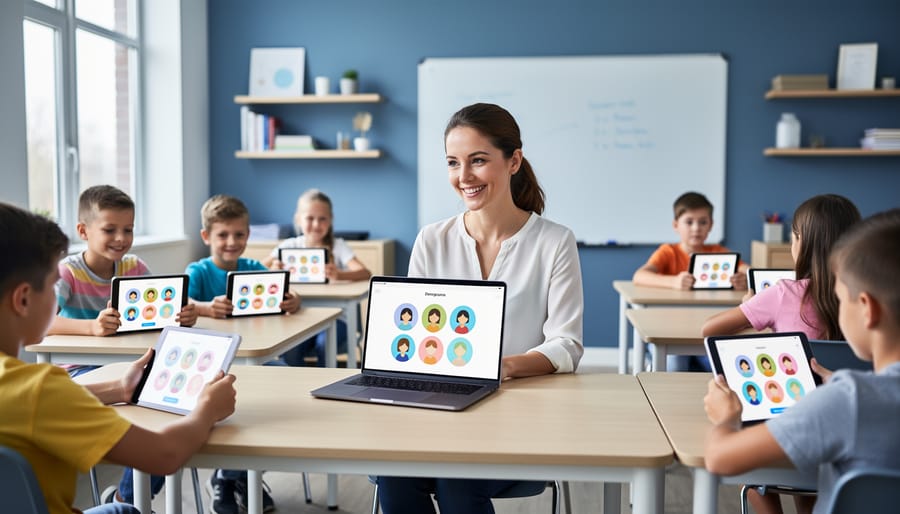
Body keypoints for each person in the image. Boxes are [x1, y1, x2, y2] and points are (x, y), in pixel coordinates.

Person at [375, 102, 584, 514]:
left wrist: (502, 366)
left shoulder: (554, 242)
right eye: (453, 163)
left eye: (478, 160)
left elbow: (566, 344)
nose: (464, 177)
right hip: (435, 411)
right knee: (393, 476)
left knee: (457, 479)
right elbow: (416, 335)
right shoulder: (431, 239)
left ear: (513, 161)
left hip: (516, 413)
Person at [0, 202, 236, 514]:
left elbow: (38, 405)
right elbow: (164, 455)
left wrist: (117, 389)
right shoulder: (38, 389)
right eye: (52, 283)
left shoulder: (26, 390)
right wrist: (208, 409)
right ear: (23, 299)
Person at [703, 209, 900, 514]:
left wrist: (726, 419)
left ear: (867, 309)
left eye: (840, 297)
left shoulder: (847, 402)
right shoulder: (847, 396)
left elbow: (719, 458)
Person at [46, 185, 198, 507]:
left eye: (128, 229)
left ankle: (125, 499)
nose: (121, 238)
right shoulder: (68, 272)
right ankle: (131, 504)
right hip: (82, 371)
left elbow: (162, 310)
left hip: (130, 365)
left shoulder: (135, 268)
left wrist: (182, 314)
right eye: (110, 230)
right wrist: (91, 327)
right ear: (83, 231)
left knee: (173, 401)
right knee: (150, 407)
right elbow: (44, 320)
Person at [185, 194, 299, 514]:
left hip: (253, 356)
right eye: (223, 235)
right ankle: (228, 479)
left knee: (285, 382)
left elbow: (283, 292)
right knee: (242, 398)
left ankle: (240, 475)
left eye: (239, 234)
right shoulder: (198, 271)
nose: (232, 242)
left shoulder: (253, 268)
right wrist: (206, 307)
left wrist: (294, 300)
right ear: (206, 236)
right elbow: (183, 304)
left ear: (248, 235)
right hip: (211, 363)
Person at [265, 189, 371, 367]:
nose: (316, 224)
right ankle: (298, 382)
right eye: (310, 218)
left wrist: (339, 274)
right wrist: (273, 271)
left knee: (324, 344)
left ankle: (327, 382)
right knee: (290, 349)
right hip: (300, 317)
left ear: (330, 220)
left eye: (322, 219)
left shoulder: (338, 246)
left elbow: (365, 272)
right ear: (298, 219)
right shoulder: (290, 245)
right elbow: (257, 269)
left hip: (338, 319)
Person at [632, 191, 749, 291]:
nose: (696, 228)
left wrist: (744, 280)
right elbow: (639, 276)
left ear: (711, 225)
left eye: (703, 222)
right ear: (676, 225)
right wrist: (674, 282)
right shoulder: (668, 252)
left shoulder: (718, 252)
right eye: (689, 222)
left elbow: (748, 271)